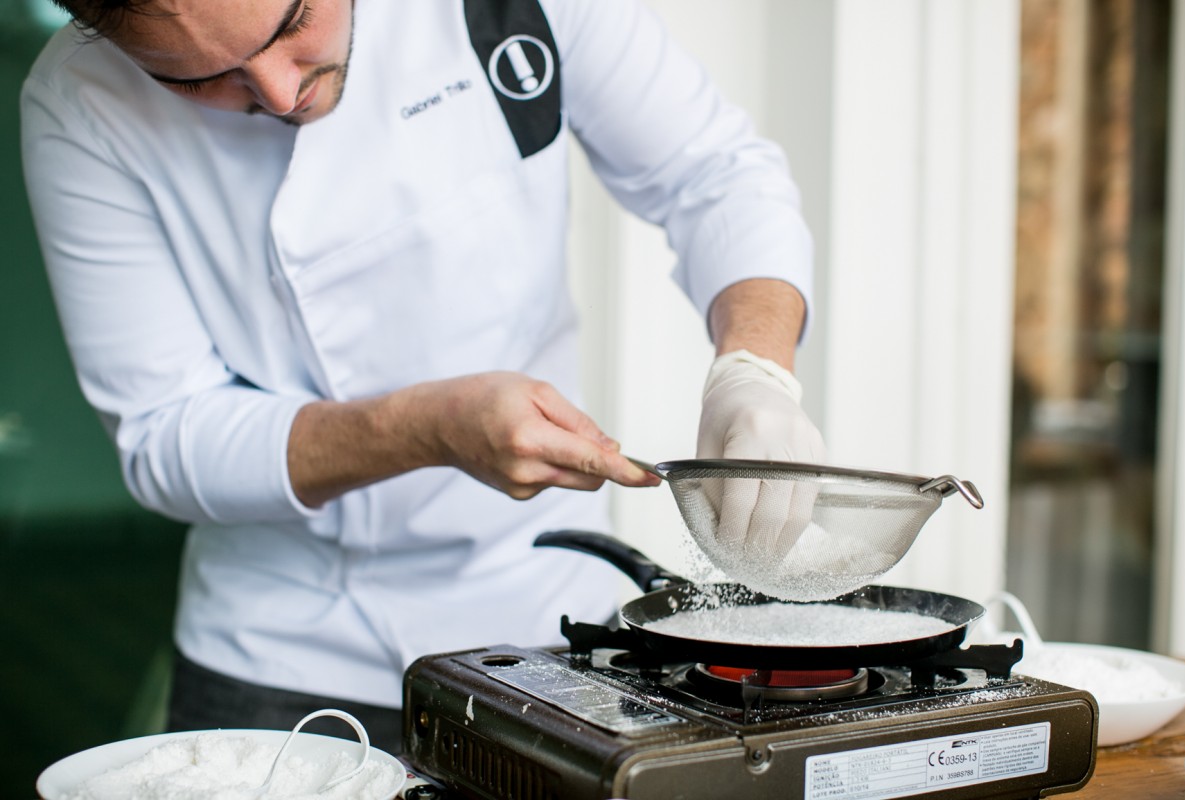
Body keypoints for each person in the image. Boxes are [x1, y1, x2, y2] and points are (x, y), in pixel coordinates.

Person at [21, 0, 825, 750]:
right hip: (282, 650)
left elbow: (712, 174)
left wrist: (754, 369)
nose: (280, 89)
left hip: (540, 620)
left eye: (294, 19)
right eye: (197, 77)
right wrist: (426, 428)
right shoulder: (78, 104)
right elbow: (166, 436)